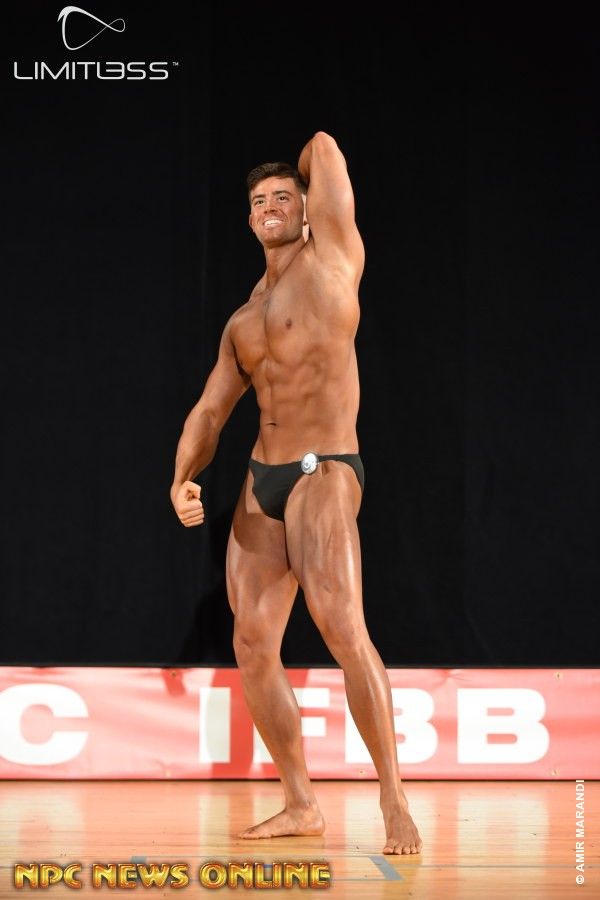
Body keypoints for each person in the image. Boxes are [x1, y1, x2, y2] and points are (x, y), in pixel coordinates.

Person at [170, 131, 422, 855]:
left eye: (283, 197)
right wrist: (181, 477)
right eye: (259, 201)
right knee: (251, 642)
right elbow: (211, 411)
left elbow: (324, 148)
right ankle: (300, 803)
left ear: (309, 209)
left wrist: (309, 188)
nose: (270, 207)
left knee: (342, 625)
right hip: (263, 477)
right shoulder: (243, 320)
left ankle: (394, 799)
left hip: (325, 469)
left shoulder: (334, 258)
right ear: (248, 219)